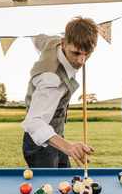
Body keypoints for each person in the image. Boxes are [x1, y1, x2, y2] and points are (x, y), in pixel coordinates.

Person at [21, 17, 99, 168]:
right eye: (76, 53)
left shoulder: (52, 41)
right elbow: (34, 122)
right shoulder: (51, 79)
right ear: (63, 43)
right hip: (39, 145)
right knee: (50, 189)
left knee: (67, 182)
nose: (82, 61)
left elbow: (38, 39)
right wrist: (69, 147)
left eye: (87, 53)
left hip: (57, 135)